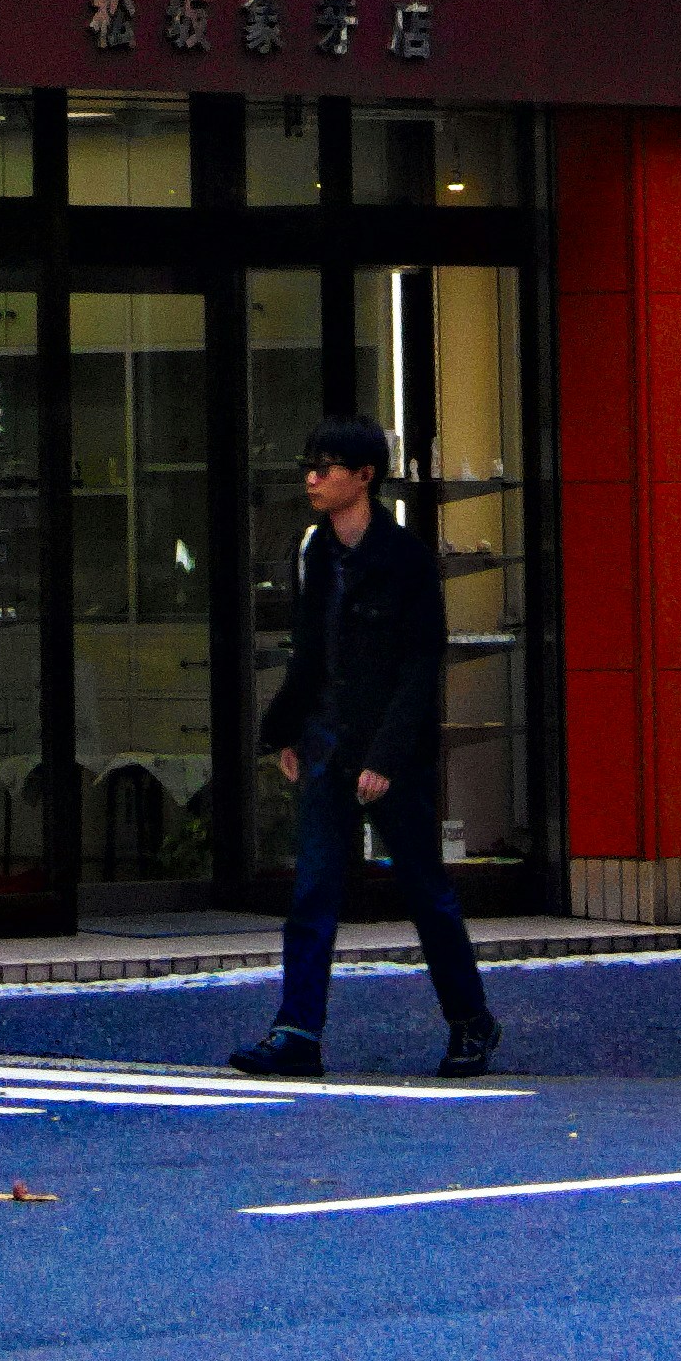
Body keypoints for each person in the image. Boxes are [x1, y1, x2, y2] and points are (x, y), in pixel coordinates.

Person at [231, 413, 499, 1079]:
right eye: (308, 467)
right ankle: (297, 1033)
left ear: (365, 477)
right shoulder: (311, 549)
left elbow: (419, 665)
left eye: (326, 467)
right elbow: (310, 649)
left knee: (423, 889)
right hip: (326, 739)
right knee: (313, 889)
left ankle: (471, 1022)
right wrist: (286, 729)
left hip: (390, 750)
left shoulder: (406, 557)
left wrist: (386, 756)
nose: (312, 478)